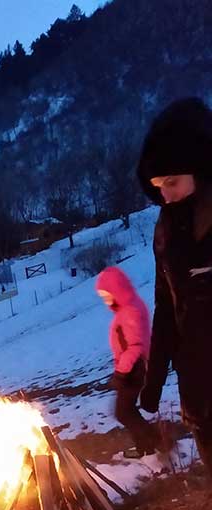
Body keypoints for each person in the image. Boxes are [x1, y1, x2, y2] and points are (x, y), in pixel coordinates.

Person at [137, 97, 212, 477]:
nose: (164, 195)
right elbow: (166, 307)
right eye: (157, 186)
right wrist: (153, 382)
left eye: (172, 182)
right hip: (200, 394)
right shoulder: (165, 231)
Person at [96, 266, 160, 458]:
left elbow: (135, 346)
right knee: (126, 411)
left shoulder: (130, 311)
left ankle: (152, 443)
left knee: (124, 412)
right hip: (132, 367)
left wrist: (121, 373)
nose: (104, 299)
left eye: (106, 294)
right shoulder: (127, 308)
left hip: (134, 369)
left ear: (115, 289)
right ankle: (149, 444)